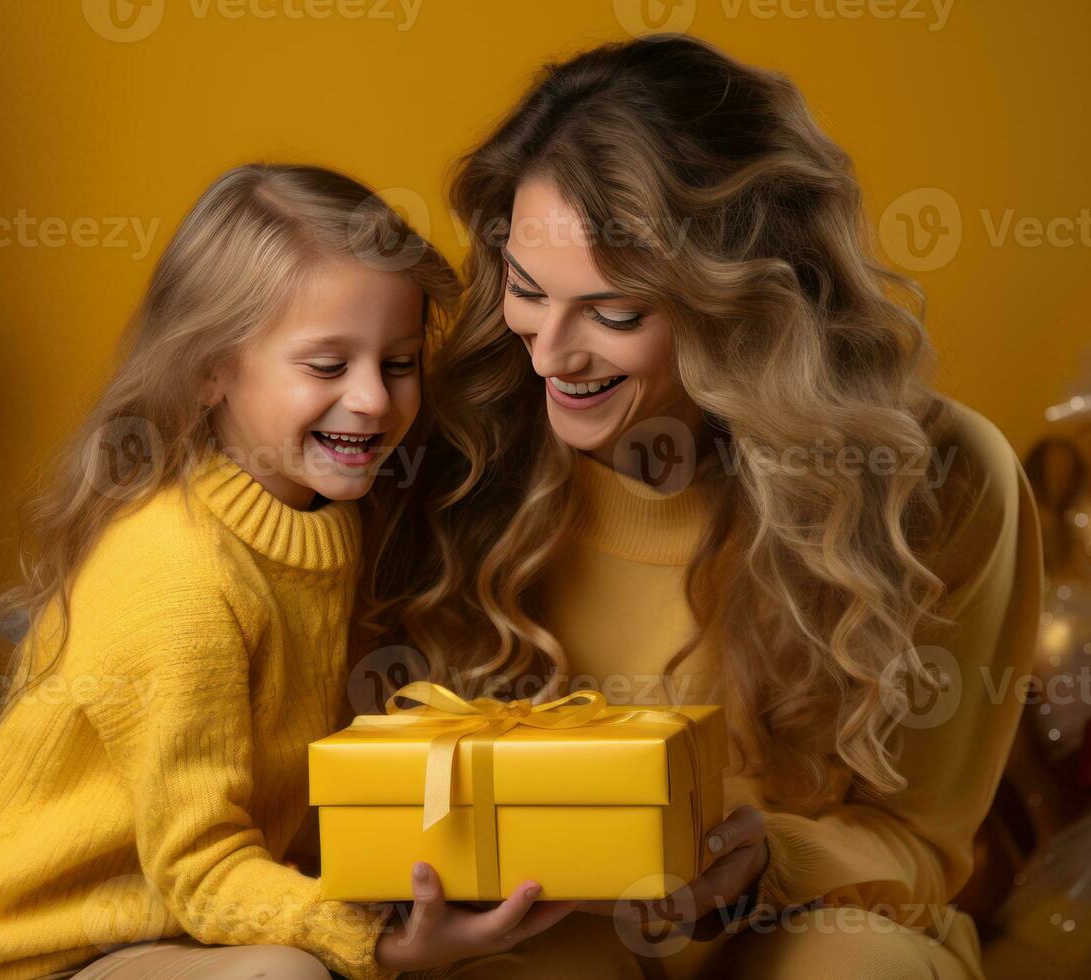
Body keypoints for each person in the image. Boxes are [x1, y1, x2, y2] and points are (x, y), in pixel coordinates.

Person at [365, 35, 1043, 980]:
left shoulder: (942, 476)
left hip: (805, 926)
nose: (549, 354)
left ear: (746, 308)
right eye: (527, 290)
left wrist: (765, 861)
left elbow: (920, 844)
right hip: (538, 933)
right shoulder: (459, 440)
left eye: (614, 313)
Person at [0, 164, 577, 980]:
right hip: (8, 961)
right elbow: (201, 867)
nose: (373, 399)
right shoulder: (175, 571)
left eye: (400, 363)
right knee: (284, 976)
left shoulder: (330, 523)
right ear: (209, 371)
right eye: (328, 367)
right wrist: (382, 944)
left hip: (151, 940)